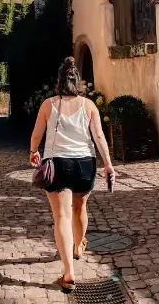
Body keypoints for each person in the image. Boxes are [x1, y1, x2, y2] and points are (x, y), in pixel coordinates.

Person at [29, 56, 115, 291]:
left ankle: (68, 273)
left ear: (58, 81)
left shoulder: (49, 104)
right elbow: (98, 136)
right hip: (84, 164)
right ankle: (79, 246)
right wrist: (107, 164)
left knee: (61, 217)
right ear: (78, 82)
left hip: (57, 164)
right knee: (80, 207)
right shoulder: (89, 105)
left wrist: (33, 151)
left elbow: (37, 133)